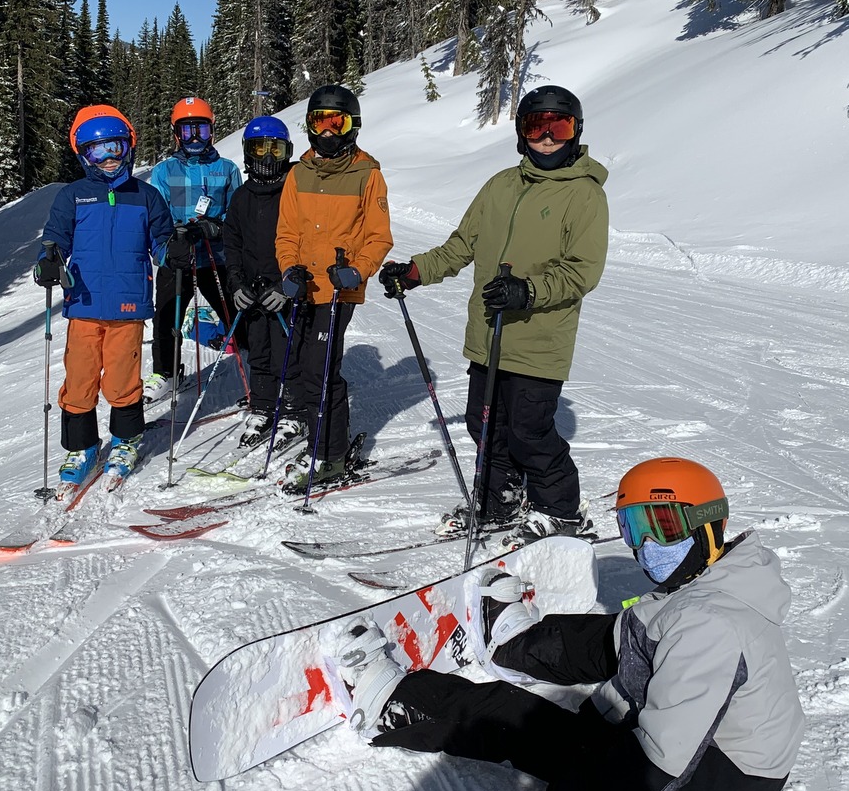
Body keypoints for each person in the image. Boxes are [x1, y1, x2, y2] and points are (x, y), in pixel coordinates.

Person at [323, 456, 806, 791]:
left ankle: (394, 703)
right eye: (633, 528)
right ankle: (511, 645)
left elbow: (658, 765)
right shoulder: (718, 589)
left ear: (707, 526)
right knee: (617, 634)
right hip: (717, 772)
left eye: (661, 525)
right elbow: (622, 646)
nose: (644, 546)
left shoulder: (712, 625)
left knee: (520, 721)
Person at [378, 84, 608, 548]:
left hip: (539, 342)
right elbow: (462, 245)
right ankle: (500, 499)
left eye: (558, 127)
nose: (547, 137)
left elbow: (582, 271)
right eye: (536, 127)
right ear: (522, 134)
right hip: (488, 335)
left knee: (529, 432)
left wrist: (528, 291)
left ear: (575, 133)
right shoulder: (501, 185)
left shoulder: (585, 196)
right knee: (484, 425)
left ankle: (560, 511)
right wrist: (417, 271)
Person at [34, 106, 173, 482]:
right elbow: (55, 238)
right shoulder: (73, 195)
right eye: (98, 151)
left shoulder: (145, 196)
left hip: (128, 304)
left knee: (122, 379)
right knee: (79, 379)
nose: (109, 158)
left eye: (114, 148)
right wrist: (47, 261)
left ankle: (126, 439)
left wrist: (172, 251)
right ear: (84, 155)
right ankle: (82, 447)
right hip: (84, 302)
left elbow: (161, 240)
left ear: (127, 148)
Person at [276, 84, 393, 494]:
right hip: (304, 287)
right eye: (318, 122)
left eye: (335, 123)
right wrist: (288, 268)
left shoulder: (367, 175)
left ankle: (330, 454)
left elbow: (379, 237)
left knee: (321, 370)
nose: (326, 133)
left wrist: (358, 271)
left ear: (351, 126)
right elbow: (287, 232)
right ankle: (319, 439)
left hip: (339, 288)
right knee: (305, 368)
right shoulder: (299, 173)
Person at [144, 96, 244, 404]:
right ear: (176, 134)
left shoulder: (225, 169)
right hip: (178, 260)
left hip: (217, 258)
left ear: (212, 130)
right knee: (165, 316)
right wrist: (168, 249)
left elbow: (239, 216)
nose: (195, 138)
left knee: (235, 309)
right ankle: (167, 372)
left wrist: (218, 227)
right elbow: (155, 223)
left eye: (200, 129)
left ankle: (251, 358)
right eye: (187, 131)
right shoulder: (163, 172)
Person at [222, 115, 296, 450]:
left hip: (284, 290)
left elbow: (307, 241)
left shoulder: (295, 191)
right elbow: (232, 243)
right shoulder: (241, 197)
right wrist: (236, 282)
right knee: (259, 351)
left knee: (288, 349)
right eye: (259, 148)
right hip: (252, 290)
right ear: (248, 152)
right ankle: (263, 406)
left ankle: (294, 410)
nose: (267, 158)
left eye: (275, 149)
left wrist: (288, 285)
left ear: (287, 152)